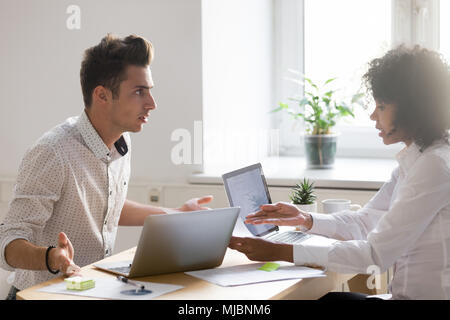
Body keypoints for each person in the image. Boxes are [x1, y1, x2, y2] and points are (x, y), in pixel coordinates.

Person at [0, 34, 212, 300]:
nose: (152, 104)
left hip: (89, 291)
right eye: (139, 92)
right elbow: (8, 242)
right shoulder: (52, 152)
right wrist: (52, 257)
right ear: (101, 95)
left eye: (150, 90)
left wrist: (174, 213)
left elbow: (107, 208)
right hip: (39, 296)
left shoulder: (122, 142)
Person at [229, 45, 450, 300]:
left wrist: (280, 252)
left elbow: (374, 256)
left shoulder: (434, 166)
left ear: (413, 108)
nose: (372, 116)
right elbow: (366, 221)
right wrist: (304, 219)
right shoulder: (417, 158)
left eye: (381, 106)